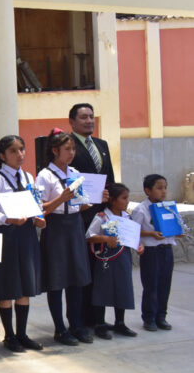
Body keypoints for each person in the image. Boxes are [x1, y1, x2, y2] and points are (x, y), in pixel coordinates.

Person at [0, 135, 46, 353]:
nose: (20, 155)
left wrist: (39, 217)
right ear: (2, 156)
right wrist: (7, 219)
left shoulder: (28, 177)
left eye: (22, 149)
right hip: (8, 235)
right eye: (13, 151)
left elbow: (36, 204)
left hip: (27, 234)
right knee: (8, 286)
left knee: (25, 286)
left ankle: (22, 333)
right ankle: (9, 335)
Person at [35, 129, 93, 346]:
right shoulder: (45, 176)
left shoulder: (75, 172)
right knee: (57, 279)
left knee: (76, 278)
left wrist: (92, 198)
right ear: (55, 151)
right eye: (67, 149)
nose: (71, 153)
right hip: (56, 228)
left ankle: (76, 325)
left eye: (73, 149)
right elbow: (39, 208)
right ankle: (59, 328)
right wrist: (61, 198)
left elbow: (82, 202)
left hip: (74, 225)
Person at [69, 103, 115, 328]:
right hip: (80, 216)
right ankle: (82, 320)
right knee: (83, 271)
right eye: (83, 117)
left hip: (103, 216)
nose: (89, 121)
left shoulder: (101, 144)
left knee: (102, 270)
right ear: (73, 122)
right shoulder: (68, 146)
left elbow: (110, 180)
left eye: (91, 117)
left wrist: (113, 209)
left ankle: (99, 319)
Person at [87, 183, 144, 338]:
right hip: (105, 258)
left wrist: (139, 245)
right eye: (123, 198)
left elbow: (133, 237)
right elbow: (89, 236)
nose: (127, 202)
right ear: (112, 200)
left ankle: (120, 322)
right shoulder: (102, 217)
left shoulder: (127, 217)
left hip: (123, 258)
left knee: (122, 288)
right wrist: (105, 238)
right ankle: (100, 323)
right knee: (103, 289)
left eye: (127, 198)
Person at [131, 174, 177, 332]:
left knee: (165, 284)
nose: (163, 192)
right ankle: (149, 318)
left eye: (165, 188)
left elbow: (171, 226)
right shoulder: (141, 209)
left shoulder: (168, 207)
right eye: (159, 188)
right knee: (151, 285)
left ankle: (161, 316)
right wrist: (150, 234)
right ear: (147, 190)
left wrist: (177, 231)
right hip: (151, 252)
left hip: (166, 249)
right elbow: (134, 231)